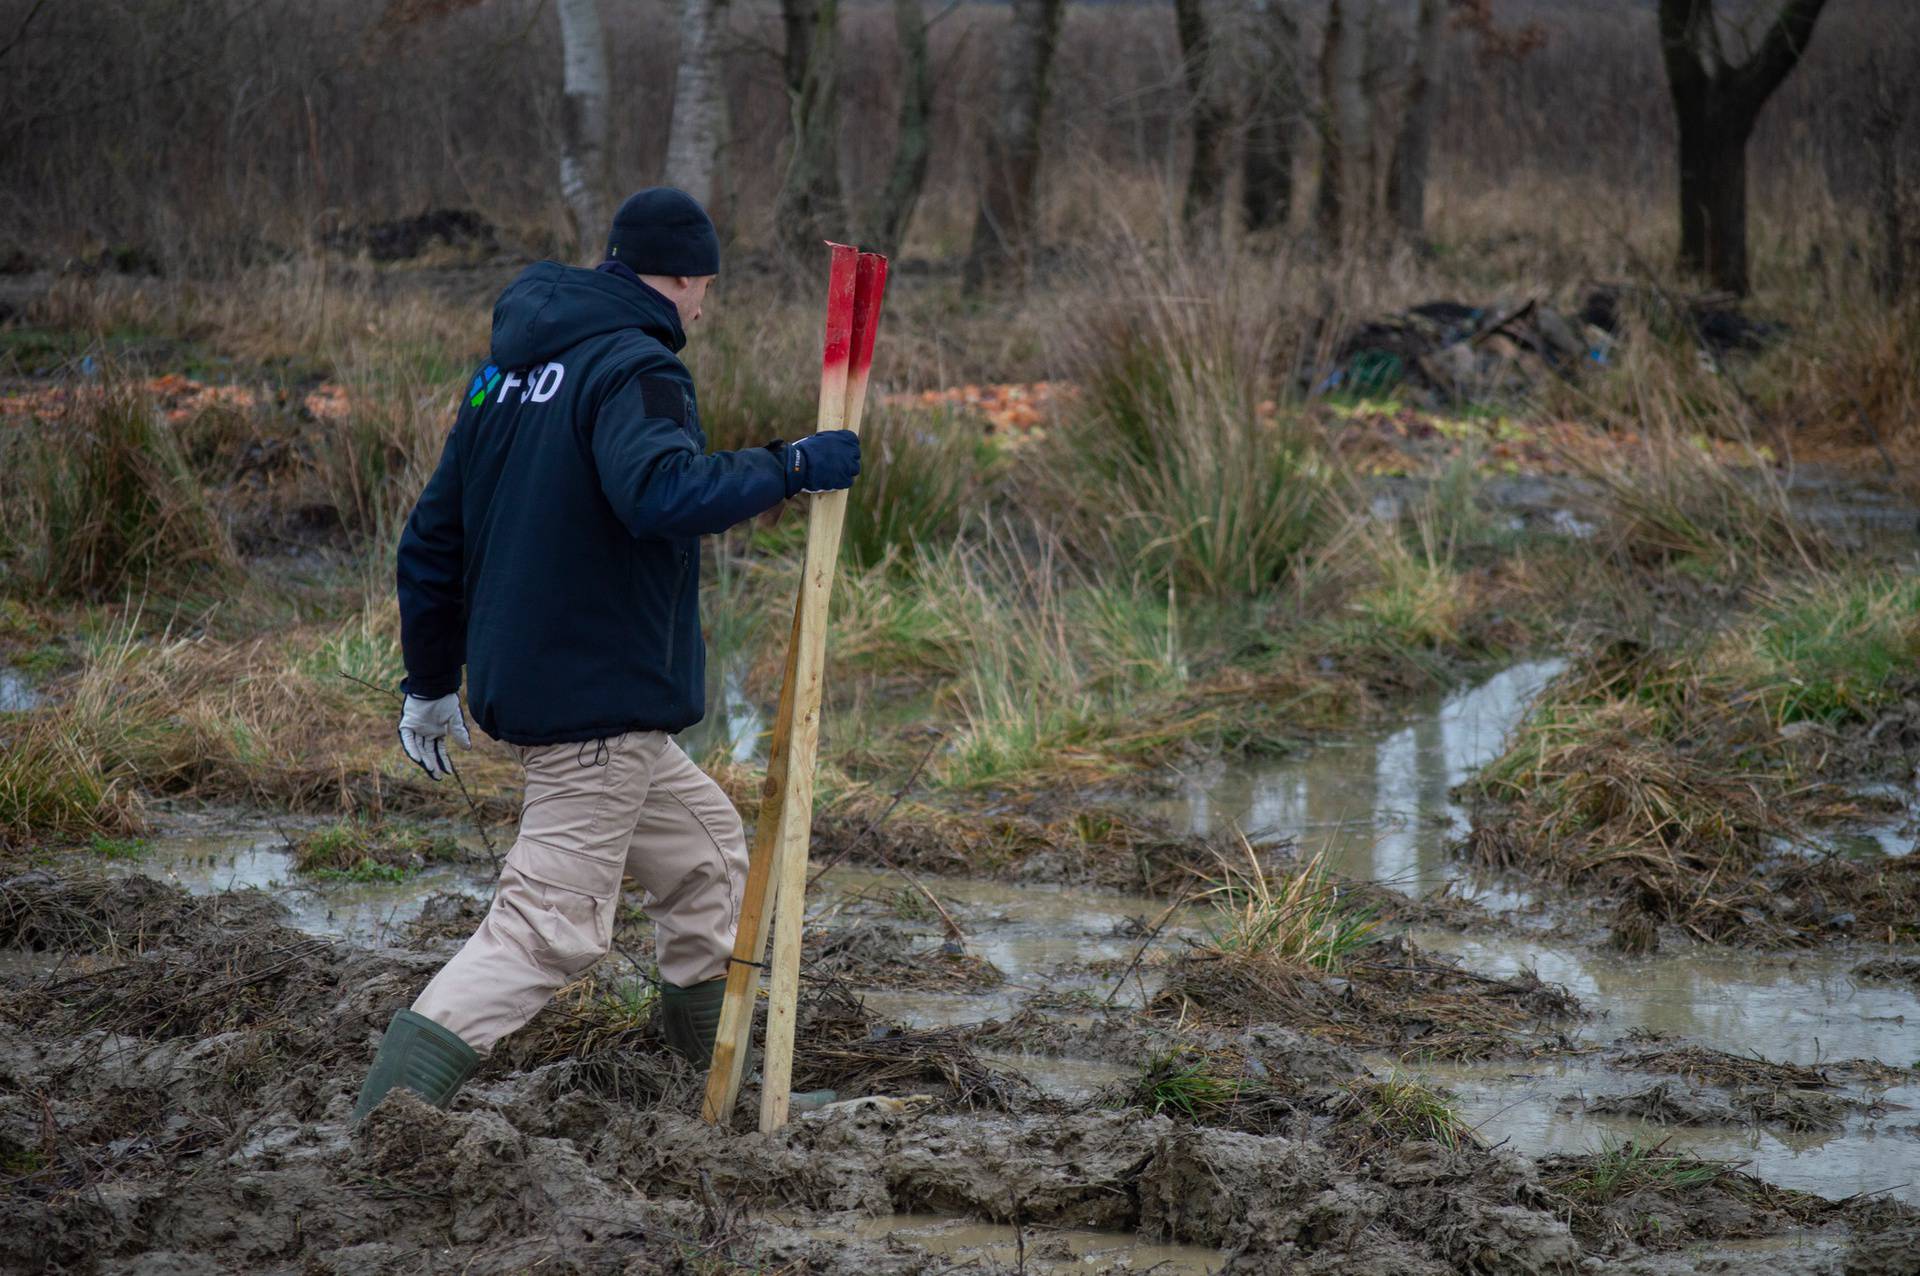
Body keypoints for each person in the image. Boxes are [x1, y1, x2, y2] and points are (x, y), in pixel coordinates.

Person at [352, 188, 860, 1121]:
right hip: (598, 706)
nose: (704, 309)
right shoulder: (637, 368)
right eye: (705, 289)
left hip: (562, 694)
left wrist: (429, 684)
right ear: (686, 279)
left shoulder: (499, 378)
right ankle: (382, 1129)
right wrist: (788, 466)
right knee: (546, 931)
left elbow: (430, 541)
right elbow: (659, 493)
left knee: (706, 860)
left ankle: (716, 1089)